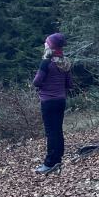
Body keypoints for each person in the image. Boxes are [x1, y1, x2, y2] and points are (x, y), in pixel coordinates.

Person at [32, 32, 72, 174]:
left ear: (51, 46)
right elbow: (69, 84)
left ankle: (49, 164)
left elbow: (36, 82)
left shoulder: (46, 63)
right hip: (61, 100)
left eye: (46, 43)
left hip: (48, 101)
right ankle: (58, 159)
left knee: (51, 132)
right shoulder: (65, 63)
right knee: (58, 130)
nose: (45, 44)